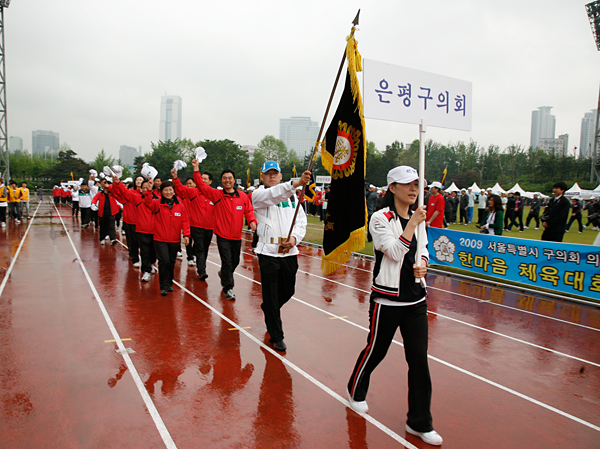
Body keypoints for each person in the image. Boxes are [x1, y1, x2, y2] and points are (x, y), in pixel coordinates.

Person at [346, 165, 442, 446]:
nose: (413, 189)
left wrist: (424, 263)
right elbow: (396, 252)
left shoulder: (418, 219)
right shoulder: (380, 218)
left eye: (416, 184)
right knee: (376, 350)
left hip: (416, 301)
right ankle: (356, 389)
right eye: (407, 184)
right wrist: (412, 224)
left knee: (419, 361)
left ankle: (419, 422)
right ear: (392, 188)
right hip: (387, 300)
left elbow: (423, 249)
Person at [252, 161, 310, 352]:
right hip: (267, 251)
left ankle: (269, 308)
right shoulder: (259, 195)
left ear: (280, 175)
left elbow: (301, 221)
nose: (272, 177)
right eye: (268, 174)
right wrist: (296, 183)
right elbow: (273, 195)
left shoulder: (293, 197)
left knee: (288, 291)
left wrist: (294, 238)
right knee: (271, 295)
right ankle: (277, 336)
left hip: (289, 251)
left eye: (275, 173)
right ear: (262, 177)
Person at [192, 158, 257, 300]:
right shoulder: (217, 195)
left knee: (234, 262)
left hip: (236, 236)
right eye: (224, 178)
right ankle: (228, 288)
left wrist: (252, 221)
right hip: (222, 235)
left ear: (234, 180)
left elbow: (249, 211)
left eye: (230, 178)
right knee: (227, 261)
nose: (227, 180)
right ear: (221, 181)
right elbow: (202, 186)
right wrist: (196, 169)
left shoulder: (243, 197)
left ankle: (224, 273)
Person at [142, 180, 190, 296]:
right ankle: (163, 285)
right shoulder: (157, 204)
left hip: (174, 239)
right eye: (166, 190)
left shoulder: (180, 205)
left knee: (171, 262)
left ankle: (169, 282)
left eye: (170, 190)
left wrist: (186, 235)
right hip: (160, 238)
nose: (168, 192)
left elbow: (185, 220)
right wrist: (149, 190)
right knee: (164, 261)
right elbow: (147, 203)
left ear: (174, 191)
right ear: (161, 192)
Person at [170, 168, 216, 280]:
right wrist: (175, 178)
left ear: (210, 182)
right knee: (200, 247)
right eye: (201, 179)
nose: (203, 181)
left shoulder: (213, 194)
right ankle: (202, 270)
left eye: (205, 179)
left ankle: (200, 263)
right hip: (196, 225)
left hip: (209, 227)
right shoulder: (194, 192)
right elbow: (180, 189)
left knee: (204, 248)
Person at [91, 178, 119, 245]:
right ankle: (102, 238)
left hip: (111, 212)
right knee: (103, 226)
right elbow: (94, 199)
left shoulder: (112, 193)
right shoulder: (100, 193)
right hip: (102, 213)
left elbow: (116, 192)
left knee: (111, 226)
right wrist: (93, 204)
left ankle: (113, 239)